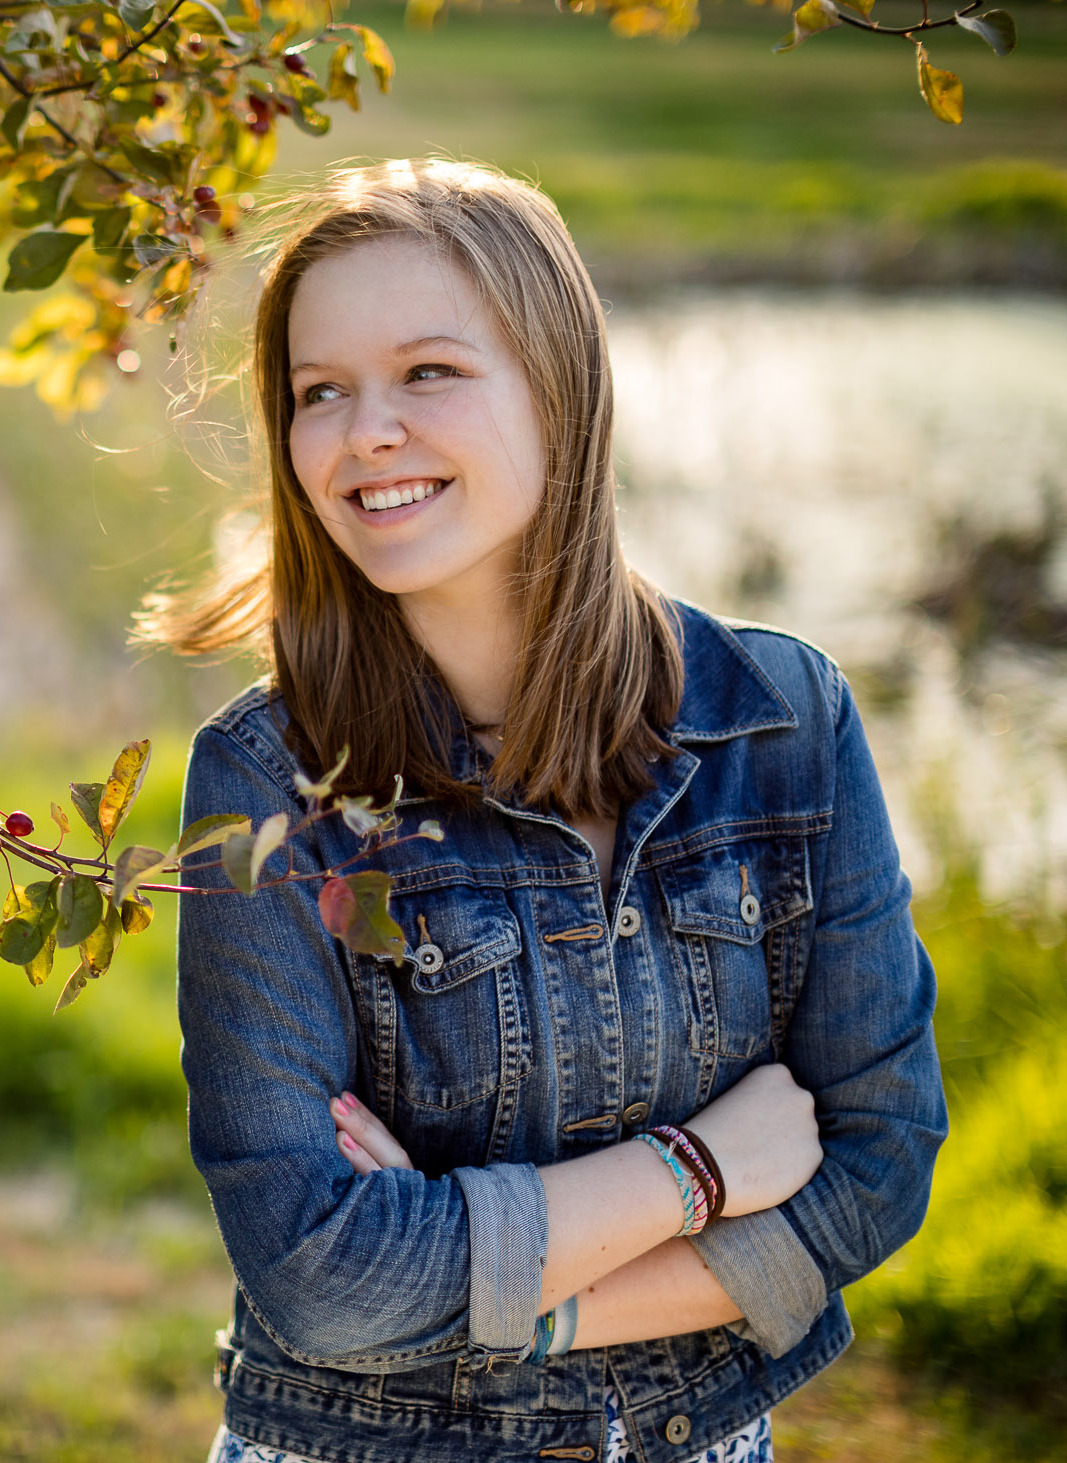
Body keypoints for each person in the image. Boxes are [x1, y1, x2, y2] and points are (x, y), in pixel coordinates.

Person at [137, 158, 948, 1463]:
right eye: (317, 393)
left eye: (427, 373)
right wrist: (694, 1174)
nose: (363, 434)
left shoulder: (782, 722)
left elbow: (875, 1166)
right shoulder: (267, 781)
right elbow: (317, 1279)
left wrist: (521, 1304)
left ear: (558, 386)